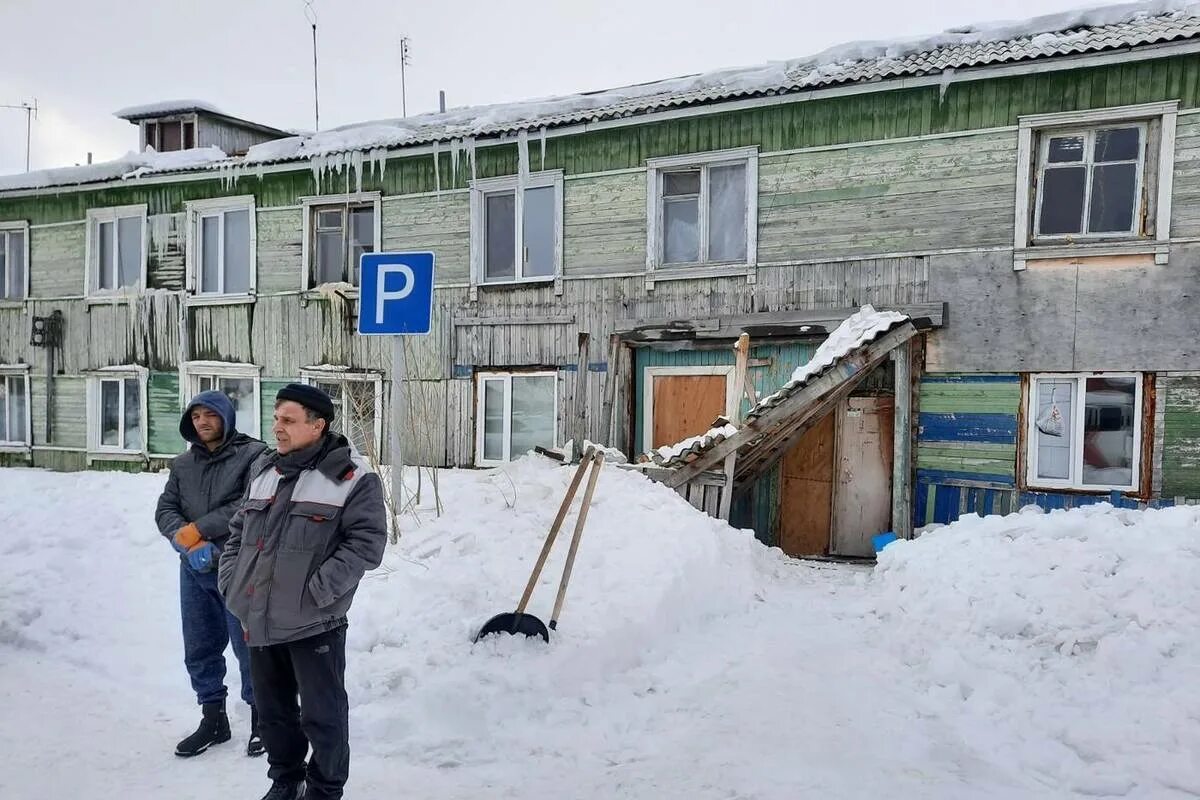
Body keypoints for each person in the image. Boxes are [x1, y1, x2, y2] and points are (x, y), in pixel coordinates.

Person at [219, 384, 386, 800]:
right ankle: (286, 779)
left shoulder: (351, 477)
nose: (277, 427)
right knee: (273, 713)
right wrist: (232, 584)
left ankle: (325, 789)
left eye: (288, 420)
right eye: (276, 418)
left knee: (323, 716)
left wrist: (317, 594)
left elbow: (366, 544)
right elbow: (238, 532)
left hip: (315, 621)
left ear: (317, 425)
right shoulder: (265, 471)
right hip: (257, 616)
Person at [155, 390, 269, 758]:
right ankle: (213, 719)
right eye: (196, 416)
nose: (202, 422)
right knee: (200, 646)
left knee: (249, 647)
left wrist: (199, 529)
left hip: (238, 566)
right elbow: (166, 508)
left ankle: (262, 720)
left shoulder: (254, 455)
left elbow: (249, 504)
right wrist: (184, 541)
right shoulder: (182, 465)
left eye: (210, 415)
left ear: (226, 417)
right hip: (195, 569)